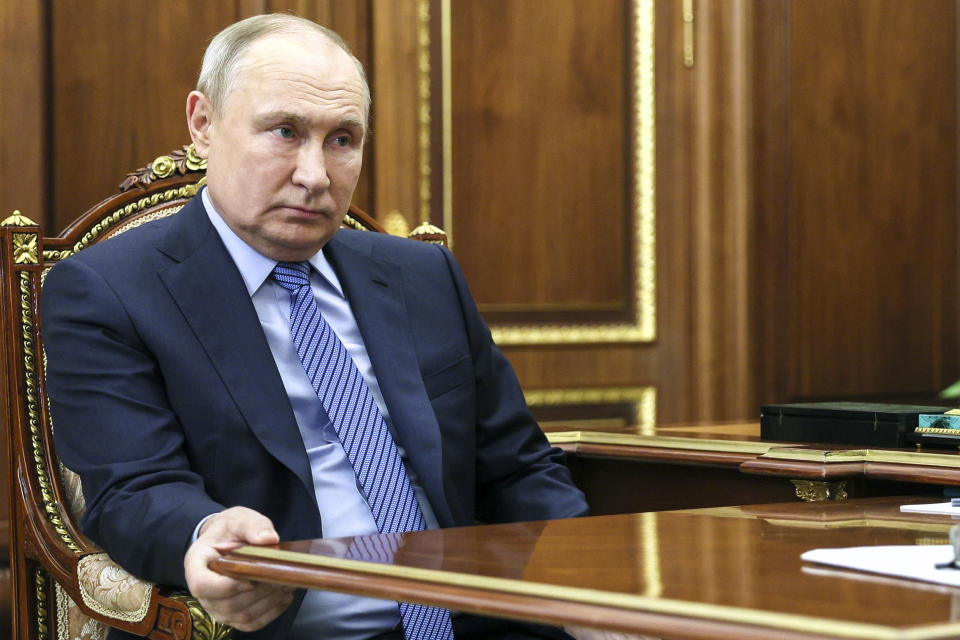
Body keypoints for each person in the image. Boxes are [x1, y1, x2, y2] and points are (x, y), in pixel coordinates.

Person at [42, 13, 588, 640]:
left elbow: (519, 468)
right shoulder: (108, 289)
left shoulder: (422, 274)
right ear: (202, 123)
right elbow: (136, 489)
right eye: (284, 131)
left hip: (479, 625)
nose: (315, 176)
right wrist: (207, 535)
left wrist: (593, 594)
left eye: (342, 139)